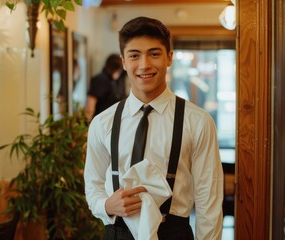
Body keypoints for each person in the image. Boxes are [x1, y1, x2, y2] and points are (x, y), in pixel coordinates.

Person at [84, 16, 224, 240]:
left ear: (169, 57)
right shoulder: (102, 123)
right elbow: (93, 185)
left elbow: (209, 202)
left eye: (154, 53)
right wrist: (107, 205)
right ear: (123, 61)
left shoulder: (198, 121)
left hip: (174, 233)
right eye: (134, 55)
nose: (144, 65)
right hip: (117, 233)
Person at [85, 53, 128, 121]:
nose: (119, 72)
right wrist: (87, 124)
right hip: (102, 121)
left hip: (114, 121)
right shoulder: (100, 80)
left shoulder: (117, 81)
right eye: (117, 69)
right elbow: (90, 106)